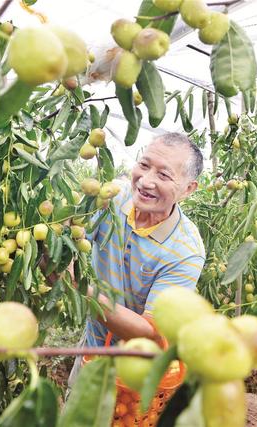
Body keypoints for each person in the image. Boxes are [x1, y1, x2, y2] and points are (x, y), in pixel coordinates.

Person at [67, 132, 206, 389]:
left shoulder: (185, 252)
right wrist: (61, 231)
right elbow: (73, 231)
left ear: (188, 189)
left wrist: (78, 287)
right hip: (93, 350)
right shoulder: (113, 199)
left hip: (138, 372)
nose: (146, 181)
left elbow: (148, 333)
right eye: (144, 165)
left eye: (164, 175)